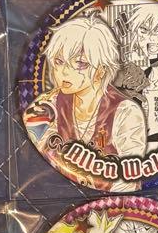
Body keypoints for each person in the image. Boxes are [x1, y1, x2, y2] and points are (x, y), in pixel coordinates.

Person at [24, 14, 147, 158]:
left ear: (101, 70)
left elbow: (132, 166)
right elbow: (41, 155)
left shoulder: (125, 112)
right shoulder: (49, 105)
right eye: (59, 62)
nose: (64, 72)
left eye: (80, 64)